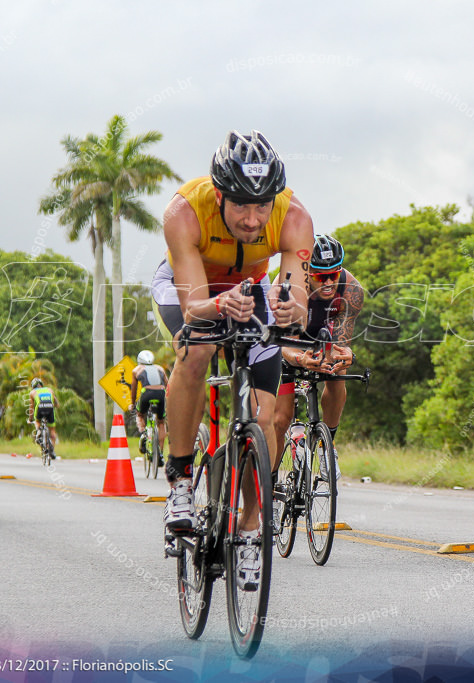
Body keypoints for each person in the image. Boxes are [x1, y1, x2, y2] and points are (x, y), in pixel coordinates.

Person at [150, 129, 314, 589]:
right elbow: (193, 307)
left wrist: (292, 308)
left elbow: (295, 294)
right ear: (219, 193)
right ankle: (181, 482)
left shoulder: (295, 217)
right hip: (192, 288)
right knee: (197, 347)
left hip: (251, 288)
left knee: (264, 418)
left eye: (263, 205)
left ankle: (249, 526)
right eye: (241, 204)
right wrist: (219, 307)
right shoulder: (184, 212)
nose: (252, 217)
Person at [274, 235, 365, 479]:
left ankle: (327, 446)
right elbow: (280, 344)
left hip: (320, 336)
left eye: (333, 275)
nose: (327, 282)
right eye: (319, 276)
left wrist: (343, 354)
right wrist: (301, 359)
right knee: (280, 420)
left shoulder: (352, 290)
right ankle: (269, 484)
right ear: (307, 272)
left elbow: (341, 341)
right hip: (287, 340)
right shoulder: (288, 288)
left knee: (338, 372)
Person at [130, 350, 168, 460]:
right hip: (161, 393)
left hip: (146, 393)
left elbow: (134, 389)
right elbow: (168, 385)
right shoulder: (160, 368)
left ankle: (143, 433)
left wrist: (132, 404)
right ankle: (160, 454)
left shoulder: (136, 370)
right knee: (161, 422)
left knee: (140, 414)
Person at [28, 377, 58, 456]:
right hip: (50, 408)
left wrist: (30, 419)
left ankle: (38, 432)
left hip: (40, 408)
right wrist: (55, 406)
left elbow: (31, 408)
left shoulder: (33, 392)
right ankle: (52, 451)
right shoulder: (49, 390)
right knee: (52, 431)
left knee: (37, 421)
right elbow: (56, 403)